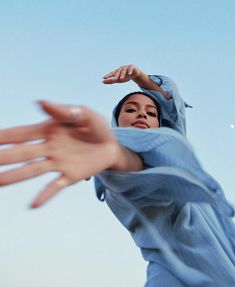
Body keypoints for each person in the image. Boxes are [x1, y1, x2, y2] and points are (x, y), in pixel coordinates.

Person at [0, 65, 234, 286]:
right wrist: (114, 157)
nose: (141, 114)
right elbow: (140, 177)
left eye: (151, 113)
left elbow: (172, 120)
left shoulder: (175, 153)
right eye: (131, 110)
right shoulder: (118, 174)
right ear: (116, 123)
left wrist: (141, 78)